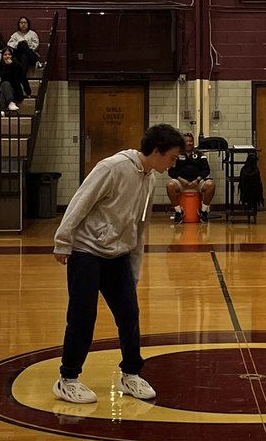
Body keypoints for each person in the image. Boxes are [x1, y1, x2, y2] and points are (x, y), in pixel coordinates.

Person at [51, 123, 185, 404]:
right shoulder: (112, 167)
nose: (173, 163)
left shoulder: (149, 178)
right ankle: (67, 379)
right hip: (87, 251)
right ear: (157, 151)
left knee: (129, 314)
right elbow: (80, 202)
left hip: (118, 256)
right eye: (172, 157)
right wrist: (63, 241)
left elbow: (139, 226)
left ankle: (130, 375)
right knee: (82, 317)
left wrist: (134, 267)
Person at [167, 132, 216, 222]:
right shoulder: (176, 154)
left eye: (191, 141)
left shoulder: (200, 154)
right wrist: (181, 180)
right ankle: (178, 212)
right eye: (187, 141)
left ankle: (203, 212)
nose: (189, 143)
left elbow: (206, 170)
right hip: (181, 182)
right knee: (170, 185)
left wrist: (197, 180)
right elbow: (171, 172)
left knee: (211, 185)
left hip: (197, 182)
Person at [0, 47, 31, 113]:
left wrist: (28, 91)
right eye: (5, 55)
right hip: (4, 86)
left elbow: (23, 78)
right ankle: (11, 102)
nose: (7, 56)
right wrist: (8, 66)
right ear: (2, 56)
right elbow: (4, 77)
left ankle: (1, 110)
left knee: (4, 91)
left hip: (15, 89)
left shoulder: (17, 65)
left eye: (9, 54)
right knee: (5, 84)